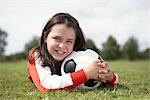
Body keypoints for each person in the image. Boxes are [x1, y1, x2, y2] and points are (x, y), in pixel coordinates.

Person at [27, 12, 118, 92]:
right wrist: (86, 73)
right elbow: (46, 85)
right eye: (56, 38)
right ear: (45, 37)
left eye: (69, 41)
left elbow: (115, 79)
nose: (62, 46)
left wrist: (109, 76)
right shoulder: (36, 55)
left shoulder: (78, 55)